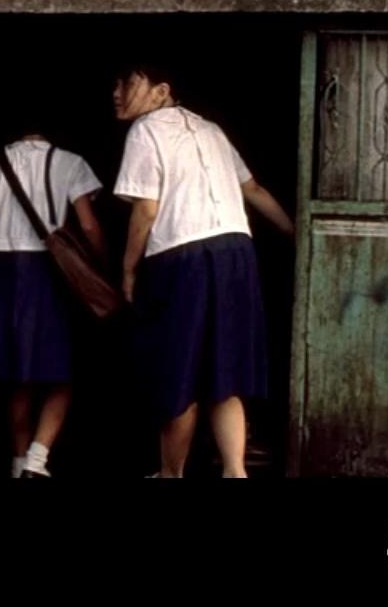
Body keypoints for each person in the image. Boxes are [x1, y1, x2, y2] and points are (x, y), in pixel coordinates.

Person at [112, 62, 294, 478]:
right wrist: (295, 233)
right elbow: (255, 191)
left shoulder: (146, 130)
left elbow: (146, 207)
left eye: (128, 82)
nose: (117, 92)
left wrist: (127, 268)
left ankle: (170, 474)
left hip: (183, 256)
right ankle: (235, 471)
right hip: (236, 253)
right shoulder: (211, 129)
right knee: (224, 368)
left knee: (179, 370)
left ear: (161, 91)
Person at [0, 121, 107, 478]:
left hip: (5, 275)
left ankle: (17, 463)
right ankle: (37, 461)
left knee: (18, 375)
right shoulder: (70, 162)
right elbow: (88, 225)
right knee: (62, 372)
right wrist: (102, 263)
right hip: (52, 275)